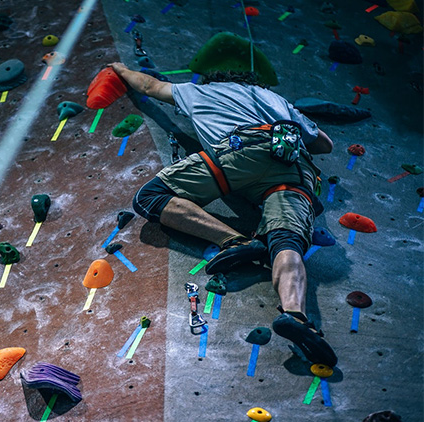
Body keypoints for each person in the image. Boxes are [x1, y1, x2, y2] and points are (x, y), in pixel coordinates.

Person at [109, 62, 338, 367]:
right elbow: (325, 144)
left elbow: (149, 87)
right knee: (286, 241)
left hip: (240, 154)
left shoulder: (198, 91)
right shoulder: (277, 101)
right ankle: (295, 315)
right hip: (295, 168)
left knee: (151, 197)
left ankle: (233, 240)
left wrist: (121, 70)